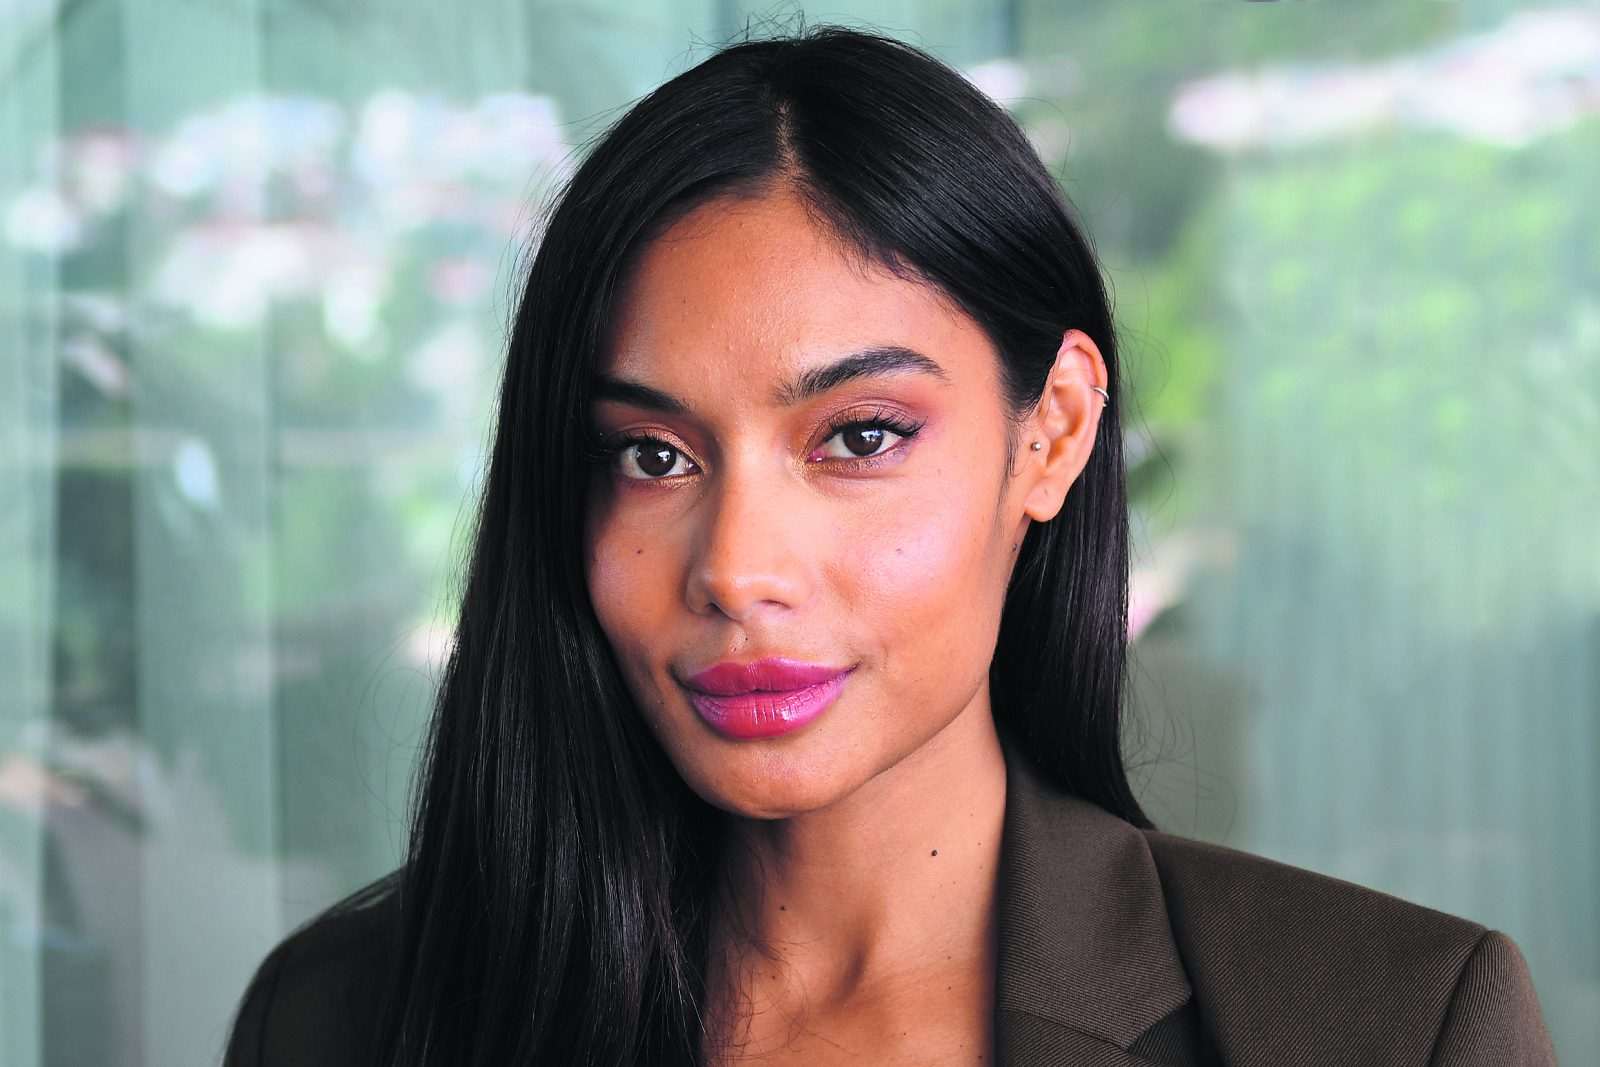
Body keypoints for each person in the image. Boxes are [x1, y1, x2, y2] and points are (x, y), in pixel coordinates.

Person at [220, 23, 1558, 1067]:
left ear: (1053, 432)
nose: (737, 568)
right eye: (652, 455)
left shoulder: (1389, 1029)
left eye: (859, 437)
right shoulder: (344, 1018)